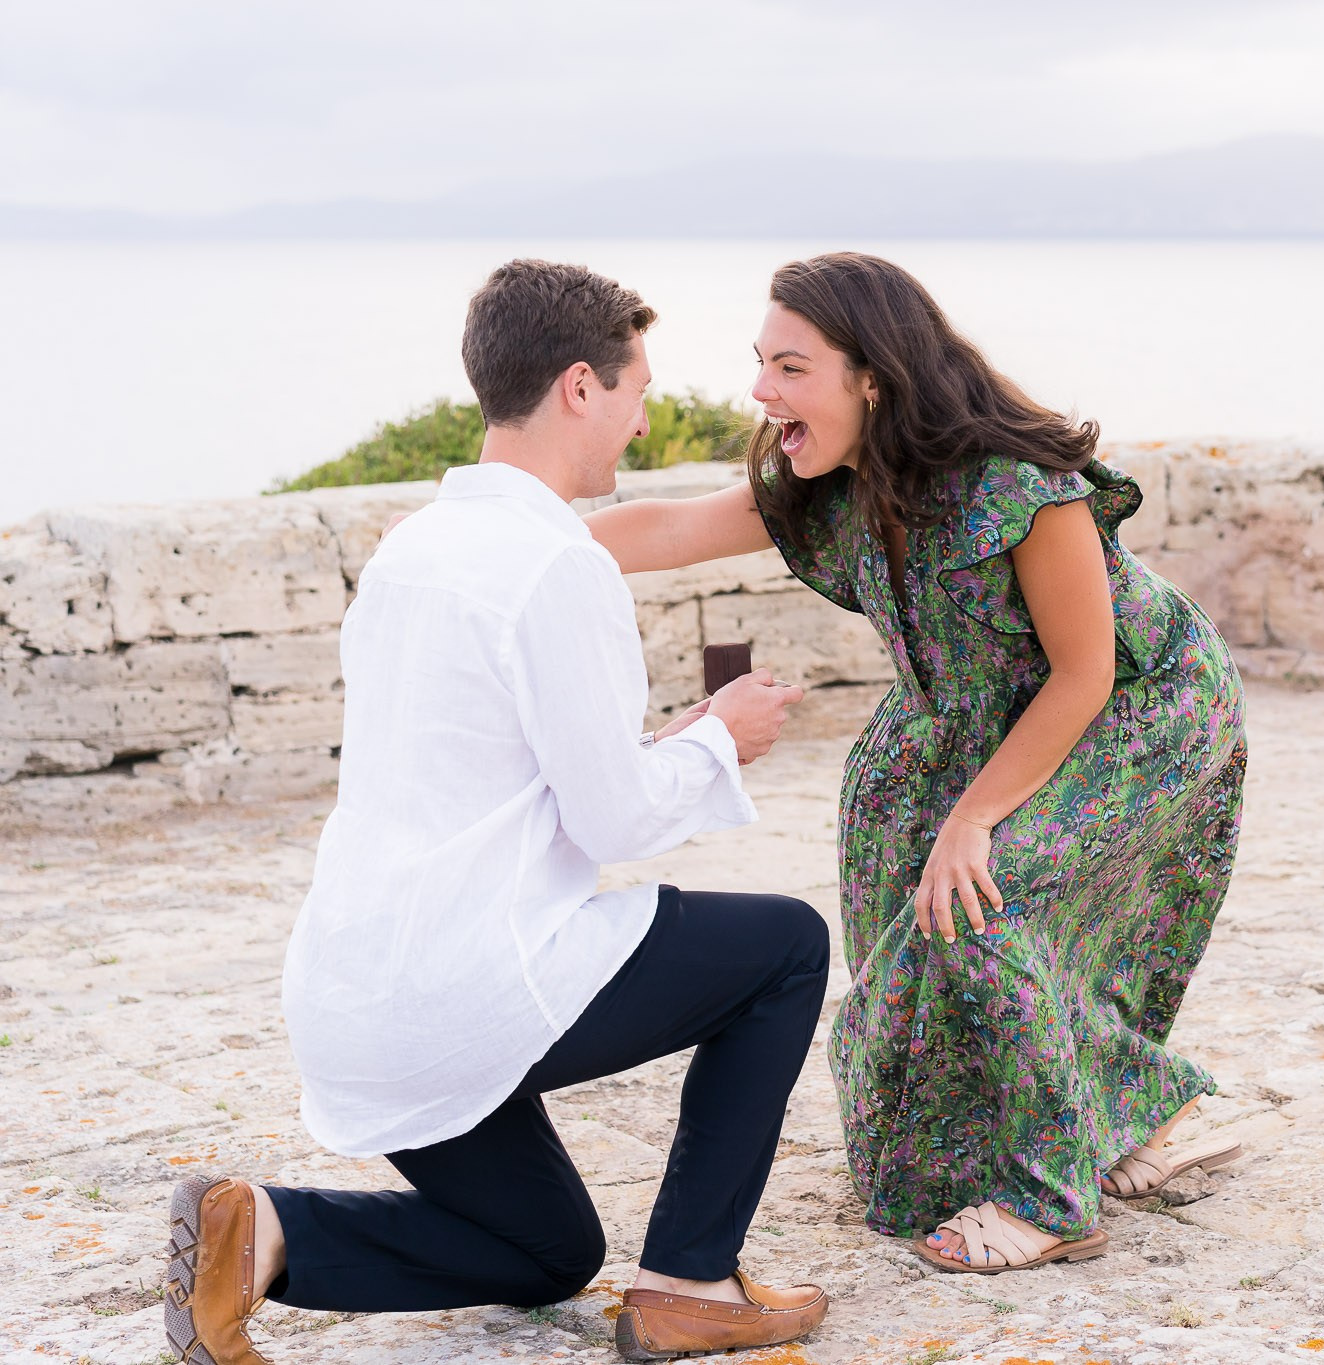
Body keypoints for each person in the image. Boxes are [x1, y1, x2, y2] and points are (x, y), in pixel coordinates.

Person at [163, 260, 829, 1364]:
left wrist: (674, 744)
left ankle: (263, 1229)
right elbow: (614, 827)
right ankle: (689, 1284)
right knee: (784, 948)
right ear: (579, 386)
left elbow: (515, 782)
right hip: (456, 986)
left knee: (542, 1250)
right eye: (634, 389)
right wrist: (721, 737)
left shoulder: (411, 551)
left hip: (354, 994)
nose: (643, 416)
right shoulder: (554, 566)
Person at [584, 252, 1247, 1275]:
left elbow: (1082, 671)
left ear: (873, 378)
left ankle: (1051, 1196)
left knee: (980, 898)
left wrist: (973, 819)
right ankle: (1149, 1112)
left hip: (1137, 709)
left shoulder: (1021, 486)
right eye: (760, 363)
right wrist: (494, 538)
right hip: (960, 710)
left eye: (791, 368)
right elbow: (664, 527)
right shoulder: (821, 481)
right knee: (899, 890)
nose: (761, 391)